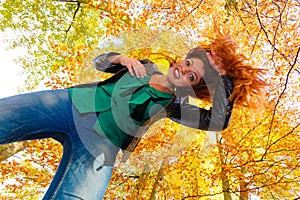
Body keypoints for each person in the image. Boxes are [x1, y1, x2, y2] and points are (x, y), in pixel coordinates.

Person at [0, 34, 265, 199]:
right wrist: (121, 57)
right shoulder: (144, 67)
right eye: (187, 64)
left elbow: (216, 122)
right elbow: (99, 63)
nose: (183, 71)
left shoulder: (173, 105)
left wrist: (222, 79)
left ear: (191, 86)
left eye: (192, 76)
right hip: (68, 104)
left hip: (99, 148)